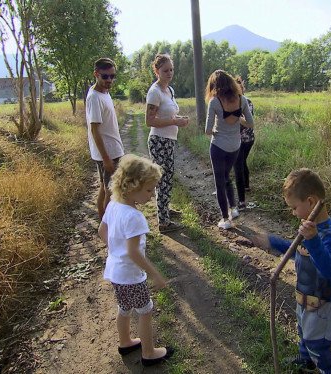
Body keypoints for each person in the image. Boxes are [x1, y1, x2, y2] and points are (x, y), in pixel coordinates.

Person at [252, 168, 331, 374]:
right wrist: (273, 242)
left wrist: (313, 240)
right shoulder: (309, 228)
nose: (293, 213)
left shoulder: (327, 234)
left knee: (317, 344)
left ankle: (328, 369)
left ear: (311, 202)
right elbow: (297, 250)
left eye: (294, 208)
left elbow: (330, 270)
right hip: (306, 295)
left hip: (323, 301)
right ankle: (306, 361)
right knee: (302, 330)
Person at [98, 154, 175, 367]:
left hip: (115, 272)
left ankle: (125, 342)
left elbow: (101, 230)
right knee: (145, 310)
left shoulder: (113, 204)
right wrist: (155, 274)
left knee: (124, 308)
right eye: (149, 190)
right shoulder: (134, 217)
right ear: (131, 187)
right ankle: (149, 353)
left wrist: (115, 251)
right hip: (131, 276)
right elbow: (133, 252)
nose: (152, 195)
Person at [145, 53, 189, 233]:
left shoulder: (169, 90)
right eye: (165, 70)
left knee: (167, 178)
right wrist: (174, 122)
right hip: (159, 141)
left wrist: (178, 119)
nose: (169, 73)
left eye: (171, 69)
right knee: (163, 179)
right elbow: (149, 120)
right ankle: (163, 222)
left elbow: (168, 115)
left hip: (169, 141)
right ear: (156, 71)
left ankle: (165, 210)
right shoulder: (154, 92)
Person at [205, 70, 254, 229]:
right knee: (227, 177)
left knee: (220, 182)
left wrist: (216, 130)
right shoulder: (242, 100)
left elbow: (207, 130)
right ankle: (233, 209)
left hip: (219, 146)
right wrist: (238, 119)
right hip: (235, 146)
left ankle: (225, 219)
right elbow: (251, 123)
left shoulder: (214, 102)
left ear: (214, 85)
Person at [86, 57, 125, 219]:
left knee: (104, 187)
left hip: (112, 150)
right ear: (96, 74)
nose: (110, 80)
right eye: (105, 76)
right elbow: (94, 130)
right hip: (108, 153)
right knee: (112, 190)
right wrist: (106, 158)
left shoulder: (104, 93)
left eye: (112, 76)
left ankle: (104, 222)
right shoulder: (94, 97)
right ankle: (109, 227)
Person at [233, 75, 255, 209]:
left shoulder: (247, 102)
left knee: (238, 166)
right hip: (244, 139)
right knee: (242, 162)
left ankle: (241, 201)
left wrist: (234, 116)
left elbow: (247, 123)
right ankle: (246, 186)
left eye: (239, 87)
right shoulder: (233, 102)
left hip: (245, 140)